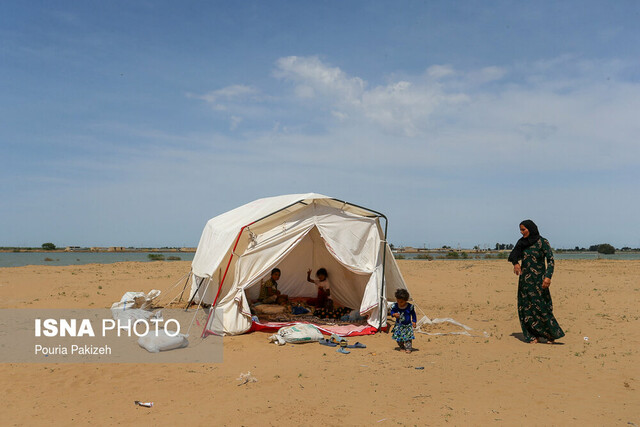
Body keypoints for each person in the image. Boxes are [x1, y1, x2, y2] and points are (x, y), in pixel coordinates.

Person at [508, 219, 565, 344]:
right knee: (526, 308)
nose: (521, 232)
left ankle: (551, 335)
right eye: (520, 230)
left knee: (543, 307)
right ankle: (532, 336)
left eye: (524, 229)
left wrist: (548, 277)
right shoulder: (521, 242)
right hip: (525, 281)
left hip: (540, 280)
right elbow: (513, 255)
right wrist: (516, 263)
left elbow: (550, 260)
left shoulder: (543, 242)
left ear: (531, 228)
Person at [390, 289, 417, 353]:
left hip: (407, 326)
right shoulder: (395, 306)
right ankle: (401, 347)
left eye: (401, 302)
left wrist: (414, 321)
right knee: (399, 338)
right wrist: (393, 314)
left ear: (406, 300)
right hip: (399, 325)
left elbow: (413, 314)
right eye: (398, 301)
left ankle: (408, 348)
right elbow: (392, 311)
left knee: (408, 338)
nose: (399, 303)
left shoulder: (410, 307)